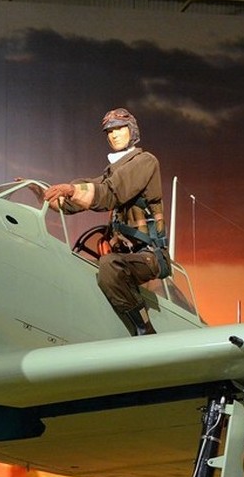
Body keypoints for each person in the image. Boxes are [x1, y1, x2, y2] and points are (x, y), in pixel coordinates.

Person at [42, 108, 168, 336]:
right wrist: (45, 195)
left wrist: (72, 190)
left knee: (109, 267)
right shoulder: (113, 172)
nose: (114, 134)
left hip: (149, 255)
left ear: (132, 131)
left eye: (119, 128)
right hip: (124, 256)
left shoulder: (145, 162)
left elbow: (110, 193)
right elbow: (82, 197)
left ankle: (144, 329)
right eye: (109, 131)